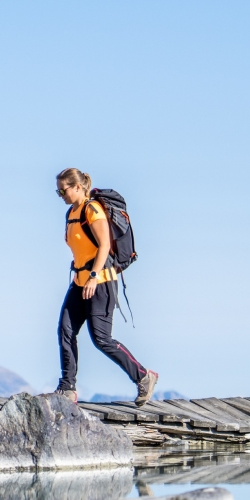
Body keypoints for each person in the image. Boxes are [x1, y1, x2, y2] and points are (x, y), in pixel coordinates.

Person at [55, 168, 158, 406]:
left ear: (78, 187)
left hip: (100, 281)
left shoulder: (92, 210)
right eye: (57, 191)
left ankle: (144, 376)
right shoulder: (71, 212)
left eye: (63, 190)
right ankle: (67, 388)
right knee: (65, 331)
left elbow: (104, 245)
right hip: (80, 281)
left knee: (101, 339)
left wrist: (92, 275)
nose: (60, 194)